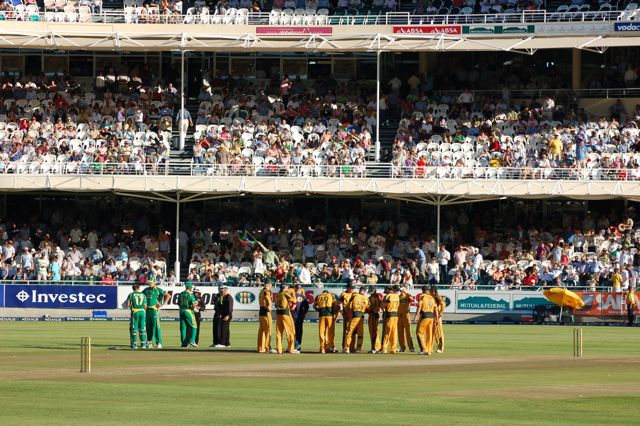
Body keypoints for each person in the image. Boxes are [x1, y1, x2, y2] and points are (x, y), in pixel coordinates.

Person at [142, 276, 170, 349]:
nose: (150, 283)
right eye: (149, 282)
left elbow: (168, 296)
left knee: (156, 326)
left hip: (154, 309)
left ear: (154, 282)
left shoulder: (158, 289)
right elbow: (141, 297)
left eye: (151, 282)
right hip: (147, 310)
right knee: (148, 327)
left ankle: (159, 343)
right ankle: (149, 342)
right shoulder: (146, 290)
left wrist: (163, 304)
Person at [275, 284, 299, 354]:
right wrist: (293, 294)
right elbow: (294, 300)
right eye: (287, 287)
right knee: (290, 332)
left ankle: (279, 349)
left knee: (279, 332)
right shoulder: (284, 293)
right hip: (285, 314)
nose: (288, 289)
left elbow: (276, 305)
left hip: (278, 314)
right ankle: (291, 349)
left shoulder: (277, 294)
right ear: (284, 288)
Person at [344, 286, 369, 353]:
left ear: (360, 290)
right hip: (362, 317)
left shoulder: (354, 296)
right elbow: (368, 308)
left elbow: (349, 306)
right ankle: (358, 348)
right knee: (360, 333)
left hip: (355, 316)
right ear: (365, 291)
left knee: (350, 332)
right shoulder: (366, 298)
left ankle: (347, 348)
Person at [414, 286, 436, 355]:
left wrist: (416, 316)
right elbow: (435, 308)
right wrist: (436, 318)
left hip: (425, 315)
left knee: (419, 333)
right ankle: (428, 349)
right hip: (431, 316)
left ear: (423, 290)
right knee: (428, 334)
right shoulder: (432, 297)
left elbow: (419, 306)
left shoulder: (422, 296)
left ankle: (424, 349)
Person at [313, 289, 335, 353]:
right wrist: (334, 312)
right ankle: (331, 347)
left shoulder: (318, 296)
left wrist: (318, 310)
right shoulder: (331, 295)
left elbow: (314, 305)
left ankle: (322, 348)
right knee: (331, 332)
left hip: (322, 315)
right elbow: (335, 305)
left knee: (322, 332)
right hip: (330, 315)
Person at [126, 284, 147, 349]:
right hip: (142, 312)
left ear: (133, 288)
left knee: (134, 329)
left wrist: (131, 306)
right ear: (139, 288)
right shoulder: (143, 295)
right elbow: (145, 306)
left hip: (135, 312)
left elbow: (128, 304)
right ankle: (143, 345)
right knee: (142, 328)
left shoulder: (131, 294)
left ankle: (134, 345)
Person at [258, 281, 277, 353]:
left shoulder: (261, 291)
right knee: (268, 330)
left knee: (261, 331)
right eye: (271, 284)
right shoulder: (267, 291)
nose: (271, 286)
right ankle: (268, 347)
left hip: (261, 312)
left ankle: (261, 348)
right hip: (266, 312)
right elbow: (268, 299)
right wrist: (269, 308)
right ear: (268, 284)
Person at [178, 282, 198, 348]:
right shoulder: (190, 294)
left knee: (183, 328)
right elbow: (193, 304)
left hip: (181, 311)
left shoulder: (181, 294)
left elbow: (178, 303)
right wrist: (195, 308)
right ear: (190, 287)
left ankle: (184, 344)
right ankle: (192, 341)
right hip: (188, 311)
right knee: (194, 326)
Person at [381, 285, 400, 354]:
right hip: (395, 315)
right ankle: (393, 349)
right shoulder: (397, 296)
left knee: (387, 332)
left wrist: (383, 311)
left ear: (388, 290)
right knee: (394, 333)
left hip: (389, 315)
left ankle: (384, 349)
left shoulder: (387, 296)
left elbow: (383, 306)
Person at [397, 285, 415, 352]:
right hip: (399, 315)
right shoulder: (398, 297)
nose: (401, 289)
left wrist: (405, 292)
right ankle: (402, 347)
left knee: (408, 332)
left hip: (406, 315)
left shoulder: (407, 296)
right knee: (400, 332)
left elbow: (412, 300)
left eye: (403, 288)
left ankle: (411, 347)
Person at [339, 284, 355, 352]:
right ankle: (345, 346)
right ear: (348, 288)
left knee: (353, 331)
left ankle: (352, 347)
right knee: (346, 331)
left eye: (352, 288)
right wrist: (342, 313)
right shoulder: (343, 294)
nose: (352, 289)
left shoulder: (354, 294)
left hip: (353, 315)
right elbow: (339, 304)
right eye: (351, 288)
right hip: (346, 315)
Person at [292, 284, 309, 351]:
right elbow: (307, 307)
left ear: (295, 288)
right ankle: (298, 345)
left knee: (292, 331)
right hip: (300, 316)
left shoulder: (292, 295)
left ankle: (292, 345)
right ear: (300, 289)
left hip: (293, 315)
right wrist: (303, 314)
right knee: (299, 331)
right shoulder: (303, 297)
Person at [367, 287, 382, 353]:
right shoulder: (369, 298)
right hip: (370, 315)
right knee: (371, 332)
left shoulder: (378, 297)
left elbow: (380, 305)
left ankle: (377, 347)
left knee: (376, 331)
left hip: (376, 315)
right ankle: (373, 347)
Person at [432, 286, 446, 352]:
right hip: (432, 316)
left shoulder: (437, 296)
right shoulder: (432, 296)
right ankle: (434, 347)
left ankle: (440, 348)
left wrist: (441, 312)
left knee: (439, 332)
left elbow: (443, 304)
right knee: (434, 332)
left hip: (437, 316)